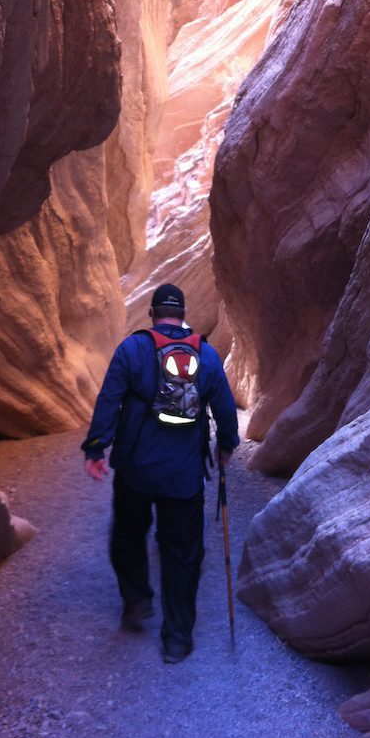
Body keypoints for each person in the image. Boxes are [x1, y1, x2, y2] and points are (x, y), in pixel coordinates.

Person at [81, 283, 239, 664]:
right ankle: (177, 639)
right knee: (182, 552)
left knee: (128, 535)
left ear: (152, 314)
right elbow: (224, 407)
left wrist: (96, 447)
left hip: (135, 470)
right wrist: (225, 446)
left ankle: (137, 600)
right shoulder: (206, 354)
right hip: (183, 475)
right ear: (183, 315)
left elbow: (109, 399)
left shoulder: (132, 349)